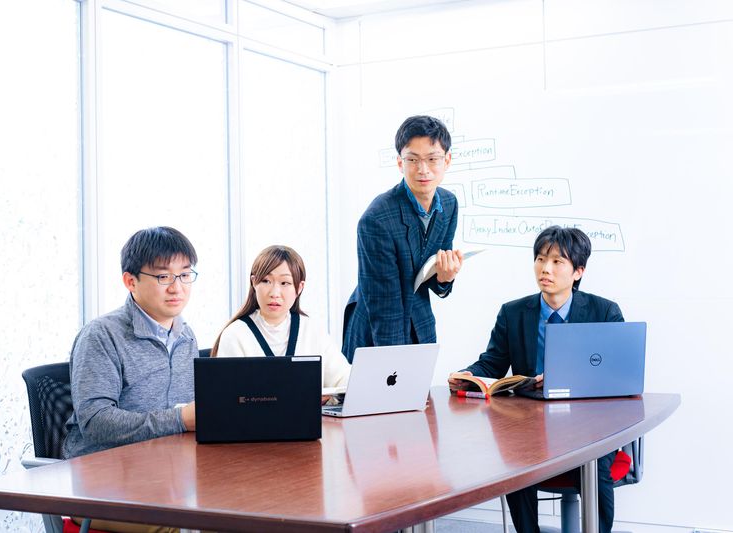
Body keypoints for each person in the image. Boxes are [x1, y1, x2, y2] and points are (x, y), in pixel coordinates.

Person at [448, 225, 623, 533]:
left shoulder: (604, 312)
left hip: (588, 426)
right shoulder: (513, 313)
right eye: (540, 259)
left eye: (557, 261)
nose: (545, 269)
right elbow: (492, 363)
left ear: (578, 271)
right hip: (530, 427)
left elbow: (616, 375)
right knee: (515, 464)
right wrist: (468, 376)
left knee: (595, 468)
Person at [63, 226, 199, 461]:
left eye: (185, 275)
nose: (177, 288)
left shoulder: (186, 336)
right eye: (163, 277)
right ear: (130, 281)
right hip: (105, 466)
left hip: (167, 461)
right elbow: (95, 422)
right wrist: (179, 420)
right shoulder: (101, 335)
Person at [342, 115, 464, 362]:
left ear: (447, 160)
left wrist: (445, 278)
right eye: (413, 159)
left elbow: (432, 273)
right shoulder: (376, 219)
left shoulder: (449, 203)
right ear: (400, 162)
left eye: (432, 159)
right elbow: (384, 306)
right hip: (376, 327)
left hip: (419, 317)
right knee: (385, 386)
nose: (423, 169)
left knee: (420, 386)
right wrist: (395, 364)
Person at [212, 245, 350, 391]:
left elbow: (345, 380)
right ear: (254, 282)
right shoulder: (235, 334)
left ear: (299, 288)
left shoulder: (313, 330)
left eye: (285, 283)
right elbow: (226, 396)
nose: (274, 293)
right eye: (266, 281)